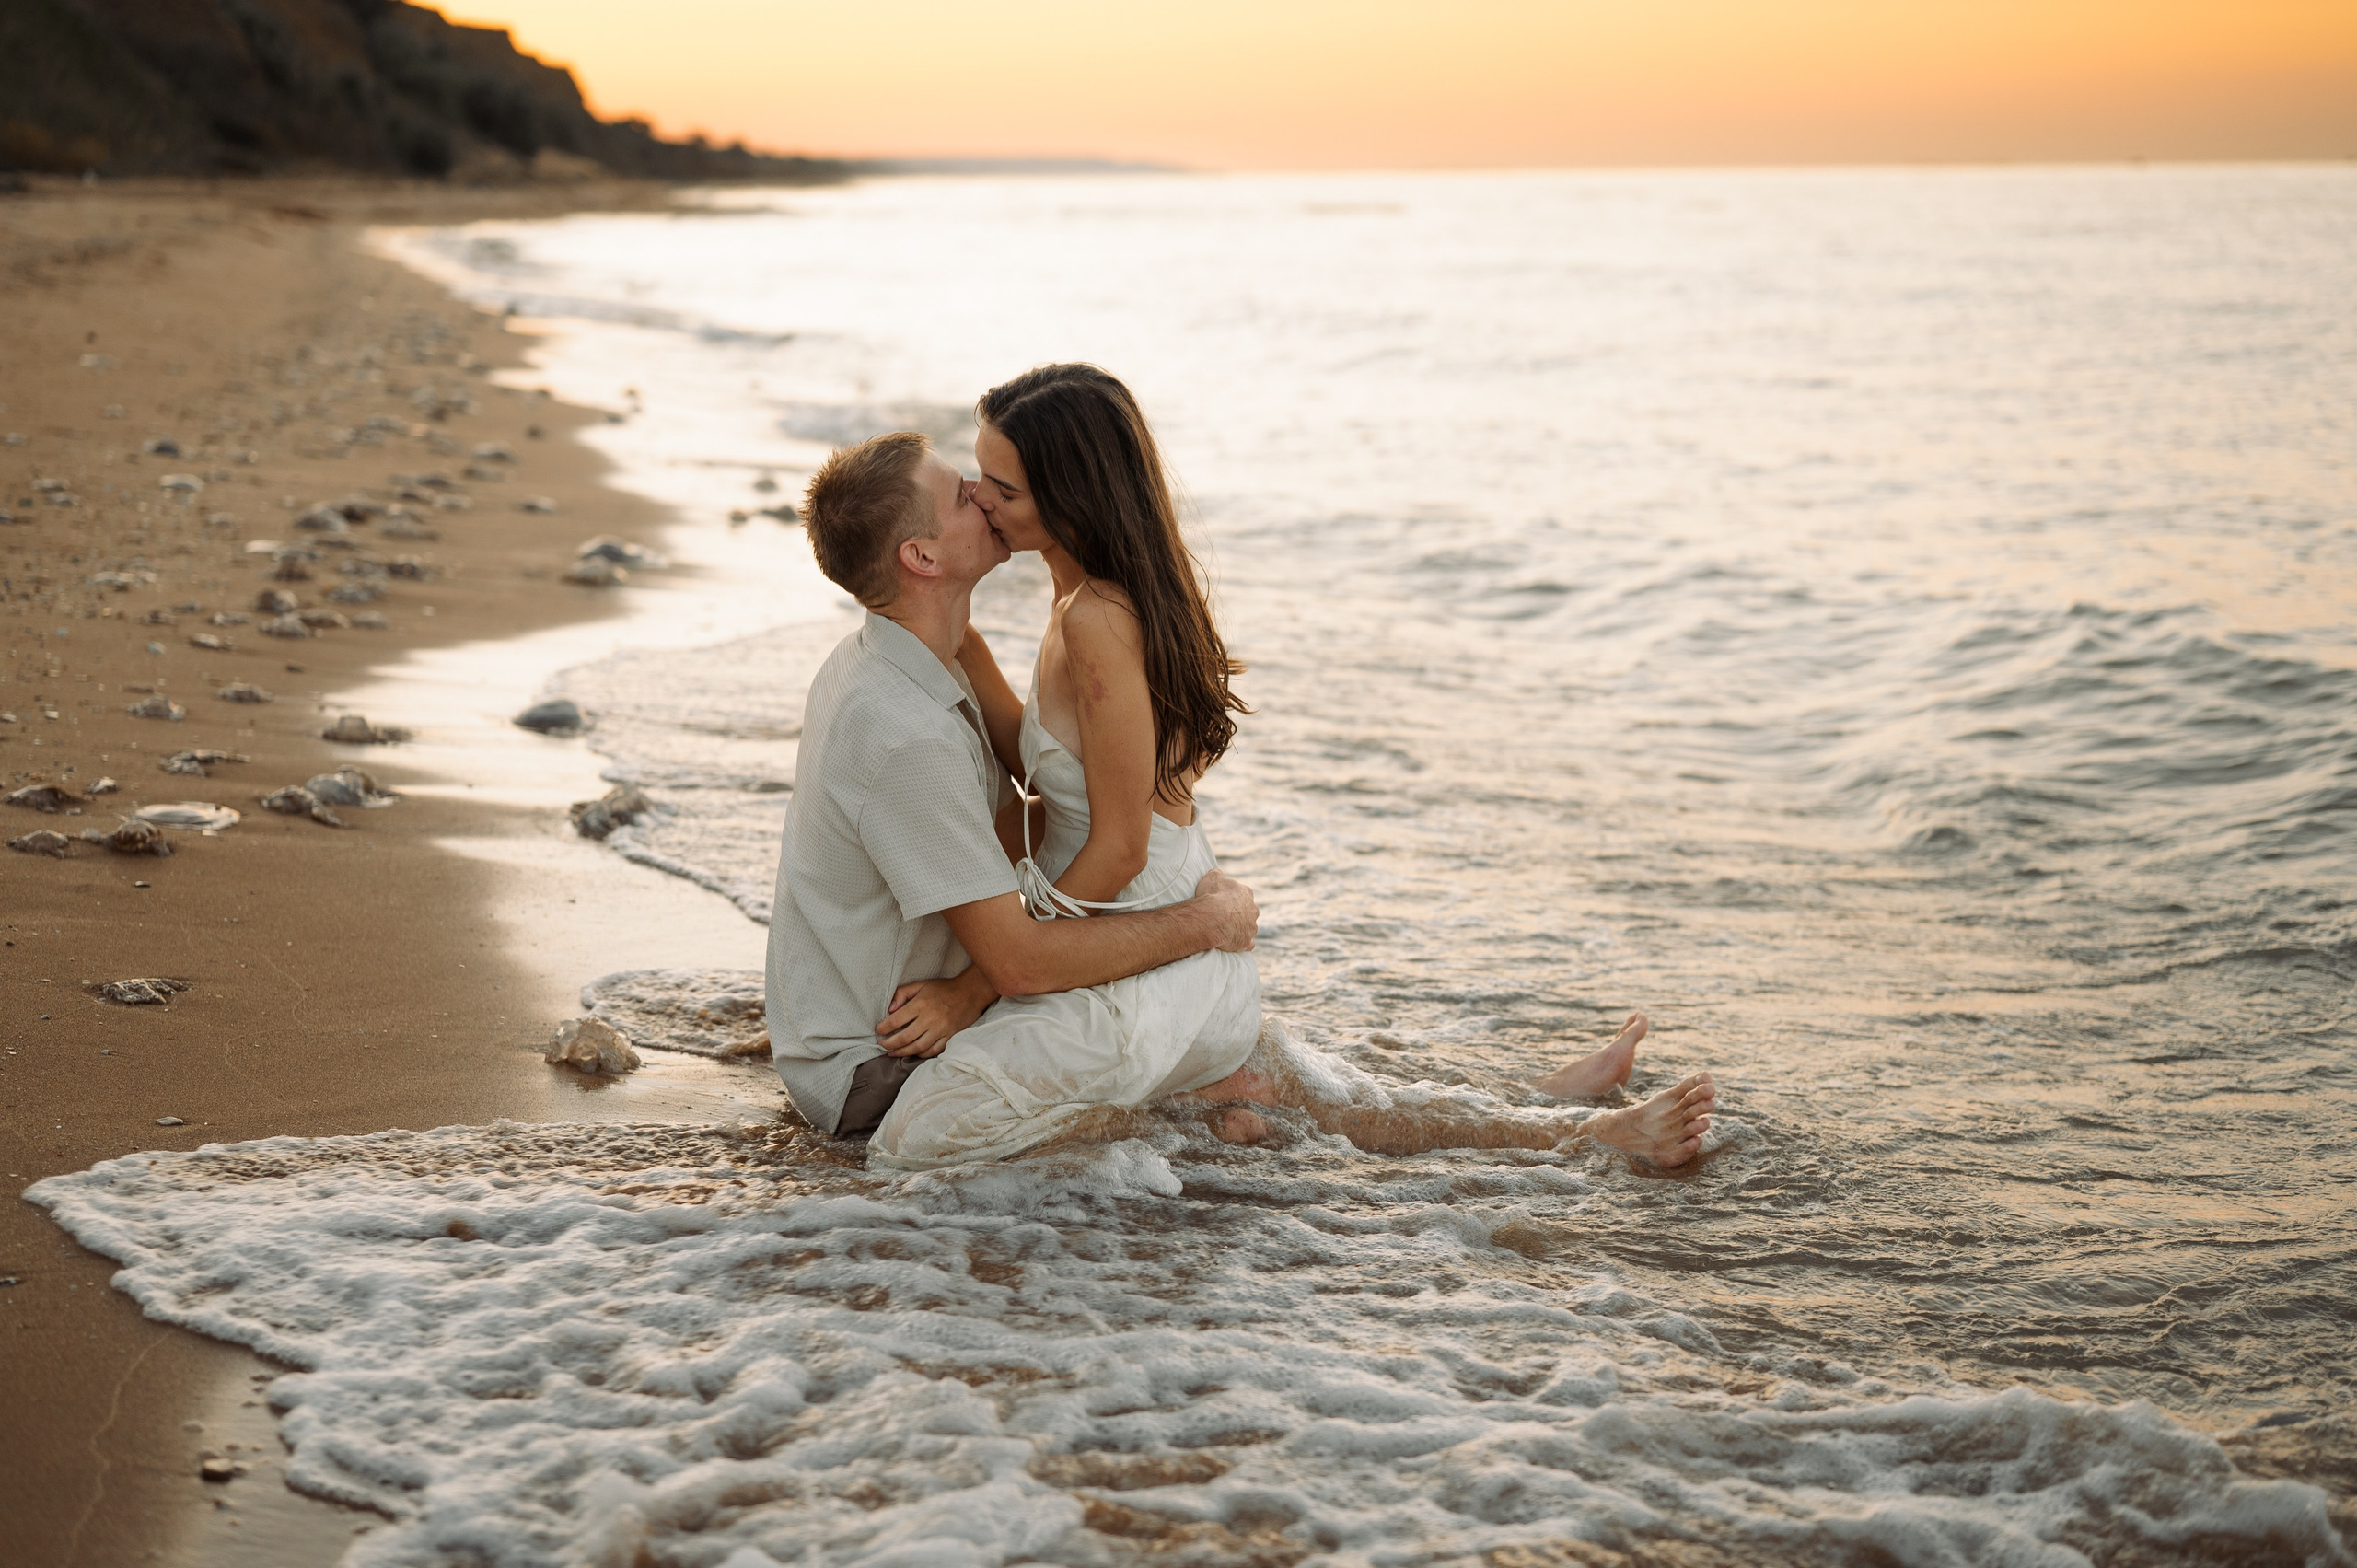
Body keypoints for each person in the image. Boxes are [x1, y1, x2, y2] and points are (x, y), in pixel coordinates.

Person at [800, 364, 1714, 1169]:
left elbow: (1115, 848)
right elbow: (1034, 748)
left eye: (997, 484)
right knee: (1318, 1094)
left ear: (1067, 495)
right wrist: (950, 635)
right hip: (1148, 920)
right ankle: (1552, 1107)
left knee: (913, 1144)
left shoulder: (1094, 621)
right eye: (972, 482)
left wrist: (975, 985)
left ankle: (1578, 1134)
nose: (980, 494)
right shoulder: (1081, 597)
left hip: (1137, 920)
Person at [762, 428, 1262, 1146]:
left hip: (889, 1001)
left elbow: (1011, 823)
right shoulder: (905, 732)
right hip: (878, 1063)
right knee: (1127, 1100)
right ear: (923, 556)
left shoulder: (900, 654)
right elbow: (1021, 963)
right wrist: (1205, 923)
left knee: (1154, 1033)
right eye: (963, 492)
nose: (982, 496)